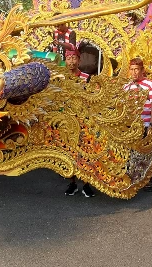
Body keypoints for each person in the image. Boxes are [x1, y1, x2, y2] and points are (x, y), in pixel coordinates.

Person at [123, 57, 152, 191]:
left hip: (145, 124)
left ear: (142, 70)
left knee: (146, 153)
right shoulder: (126, 86)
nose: (134, 73)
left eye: (136, 69)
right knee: (132, 153)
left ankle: (150, 179)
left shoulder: (150, 85)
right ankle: (134, 178)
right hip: (130, 126)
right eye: (131, 70)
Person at [63, 48, 95, 198]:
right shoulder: (61, 78)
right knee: (69, 153)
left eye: (74, 58)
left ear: (79, 60)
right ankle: (72, 183)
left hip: (83, 121)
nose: (71, 62)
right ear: (65, 60)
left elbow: (92, 98)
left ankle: (87, 184)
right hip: (67, 121)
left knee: (85, 153)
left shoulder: (87, 78)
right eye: (68, 59)